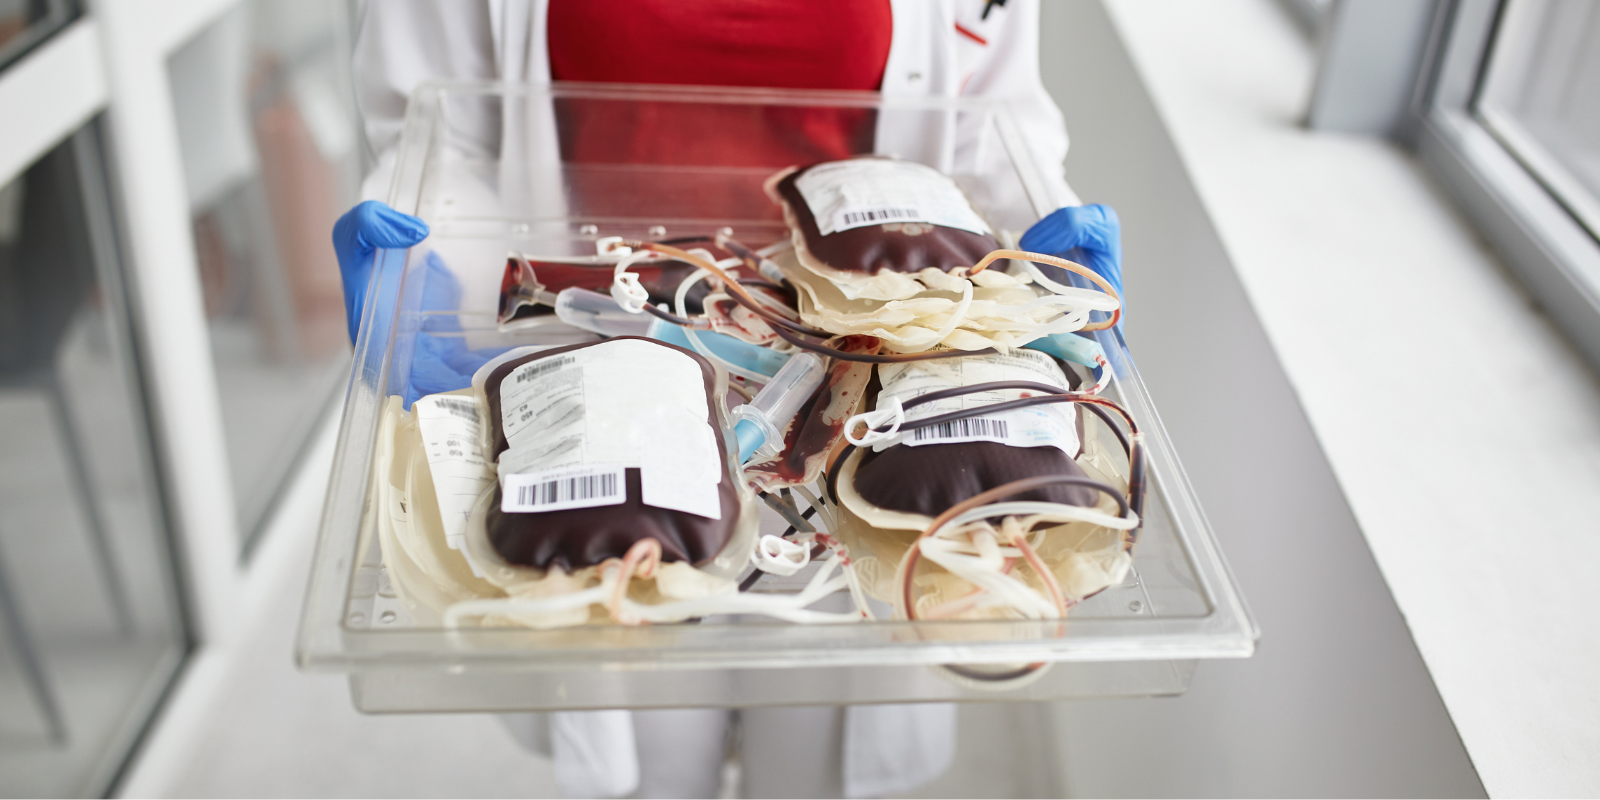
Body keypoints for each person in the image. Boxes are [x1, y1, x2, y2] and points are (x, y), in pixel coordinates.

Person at [332, 2, 1123, 797]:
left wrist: (1046, 263)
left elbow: (986, 128)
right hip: (608, 366)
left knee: (820, 752)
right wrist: (425, 265)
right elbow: (448, 131)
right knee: (647, 746)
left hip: (870, 377)